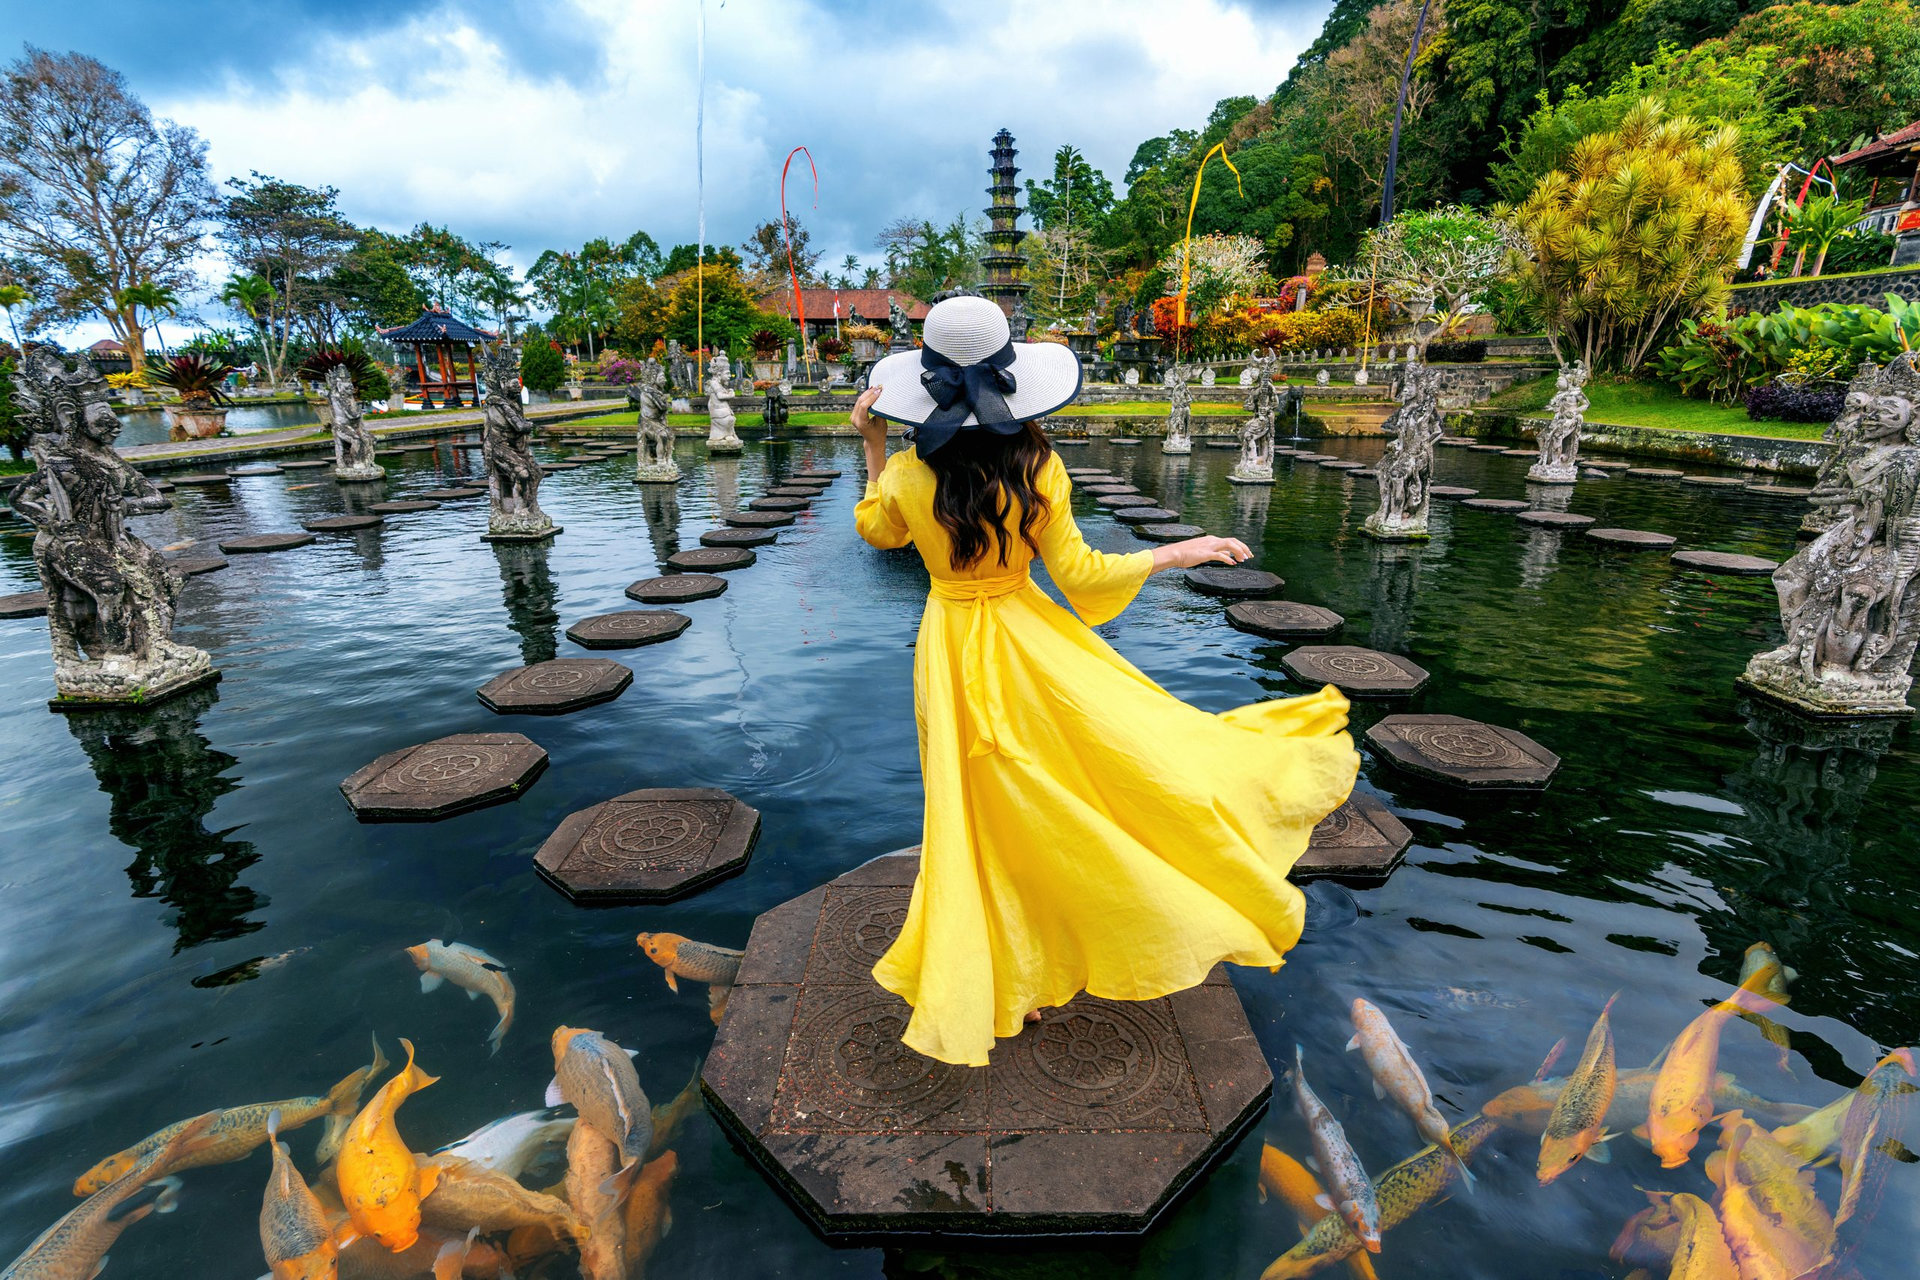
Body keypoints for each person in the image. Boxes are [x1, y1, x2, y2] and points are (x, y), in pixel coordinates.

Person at [852, 294, 1360, 1067]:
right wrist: (1173, 553)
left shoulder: (907, 475)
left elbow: (879, 531)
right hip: (1028, 642)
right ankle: (1067, 931)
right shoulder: (1037, 466)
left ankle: (1001, 960)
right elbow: (1084, 580)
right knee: (1075, 782)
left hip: (950, 648)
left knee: (971, 805)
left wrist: (872, 442)